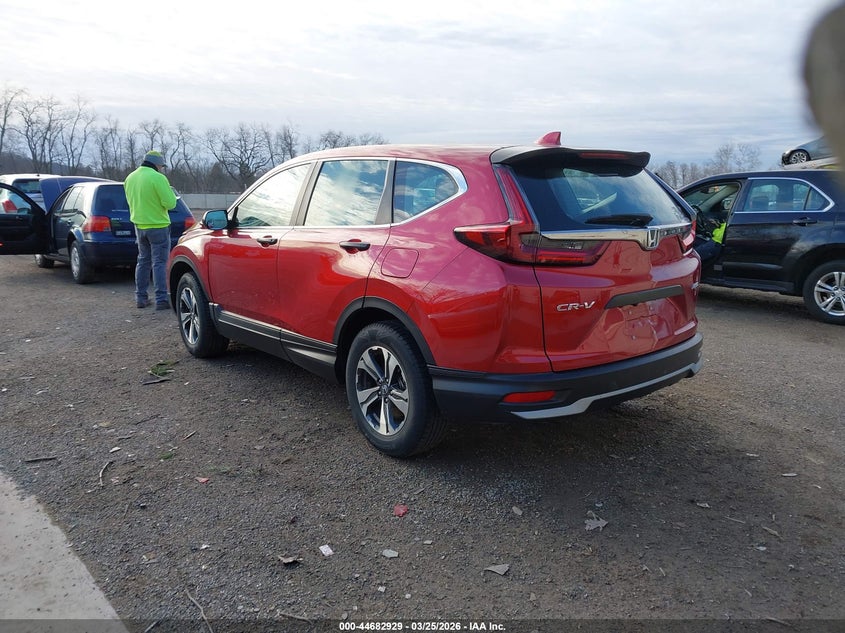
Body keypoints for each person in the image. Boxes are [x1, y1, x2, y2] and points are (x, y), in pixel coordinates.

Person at [124, 151, 177, 310]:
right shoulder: (158, 178)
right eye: (161, 166)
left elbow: (129, 201)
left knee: (143, 261)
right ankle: (161, 299)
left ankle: (141, 298)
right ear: (156, 164)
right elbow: (170, 203)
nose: (161, 169)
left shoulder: (130, 178)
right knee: (159, 263)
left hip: (139, 226)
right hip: (158, 226)